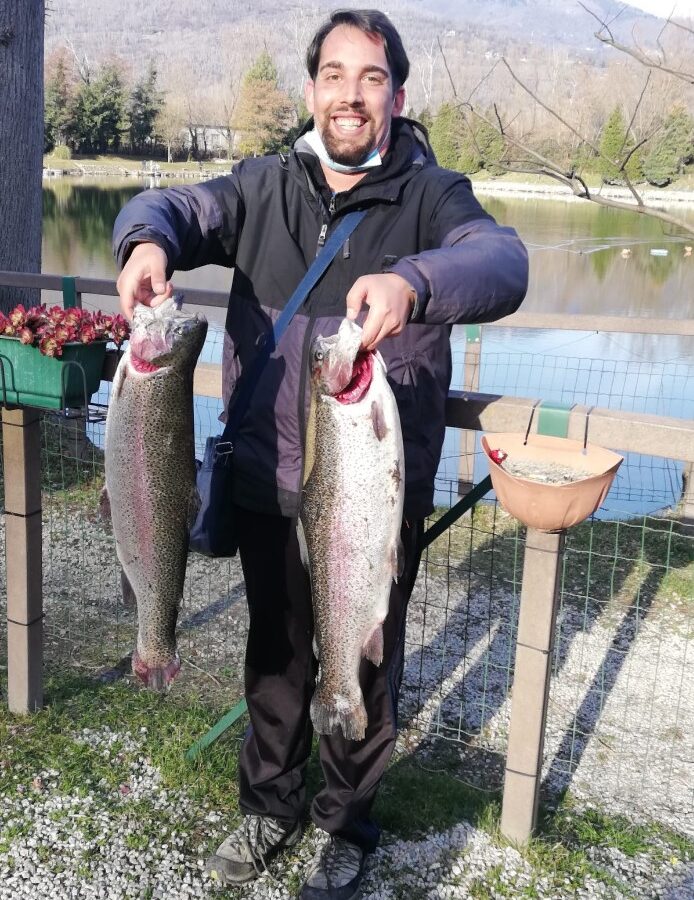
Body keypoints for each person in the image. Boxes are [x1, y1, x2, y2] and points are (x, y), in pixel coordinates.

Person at [113, 9, 528, 899]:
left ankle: (347, 822)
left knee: (362, 664)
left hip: (371, 492)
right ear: (311, 91)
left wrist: (416, 283)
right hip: (270, 478)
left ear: (397, 95)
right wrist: (146, 241)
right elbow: (178, 208)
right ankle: (269, 807)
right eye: (334, 75)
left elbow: (503, 263)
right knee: (275, 659)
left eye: (370, 78)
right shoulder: (261, 186)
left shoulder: (433, 195)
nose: (350, 94)